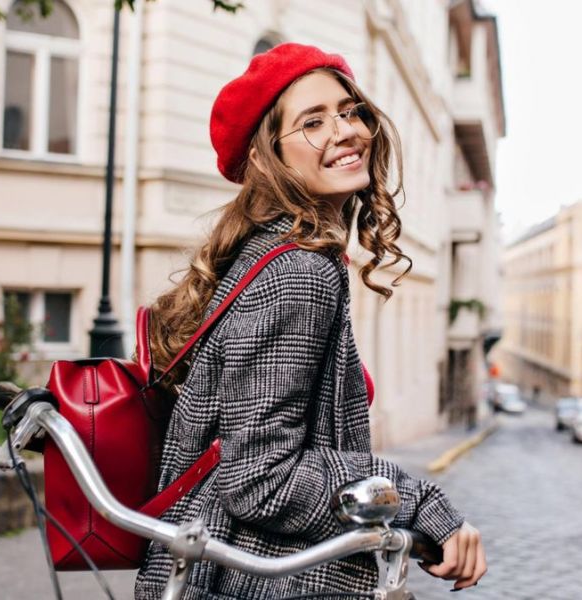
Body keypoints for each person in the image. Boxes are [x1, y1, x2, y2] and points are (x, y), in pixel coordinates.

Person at [135, 42, 486, 599]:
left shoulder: (264, 256)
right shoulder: (298, 272)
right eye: (313, 122)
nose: (346, 131)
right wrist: (415, 501)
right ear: (264, 158)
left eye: (349, 112)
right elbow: (258, 479)